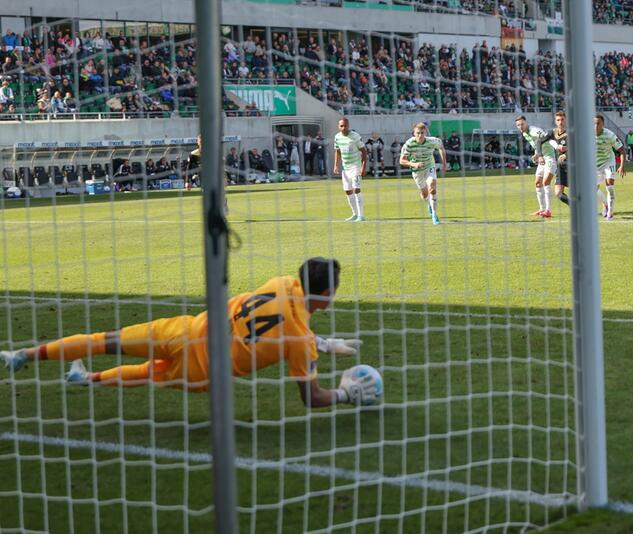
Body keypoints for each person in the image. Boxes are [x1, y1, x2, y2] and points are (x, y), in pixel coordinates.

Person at [0, 258, 379, 408]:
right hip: (202, 370)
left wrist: (324, 342)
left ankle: (24, 355)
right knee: (149, 372)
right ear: (326, 295)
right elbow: (310, 398)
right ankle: (86, 379)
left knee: (107, 339)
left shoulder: (280, 282)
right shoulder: (299, 340)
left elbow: (282, 321)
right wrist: (347, 393)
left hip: (187, 328)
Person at [399, 122, 448, 225]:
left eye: (422, 133)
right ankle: (429, 204)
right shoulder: (409, 144)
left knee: (432, 189)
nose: (420, 135)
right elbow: (402, 161)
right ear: (414, 133)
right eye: (418, 133)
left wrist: (444, 164)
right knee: (425, 194)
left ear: (425, 132)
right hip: (417, 171)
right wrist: (413, 164)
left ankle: (434, 215)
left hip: (429, 167)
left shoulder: (432, 141)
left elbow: (441, 148)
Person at [514, 115, 558, 218]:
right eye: (518, 125)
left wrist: (541, 154)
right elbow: (537, 144)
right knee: (538, 183)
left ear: (526, 123)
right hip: (541, 159)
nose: (520, 126)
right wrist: (537, 154)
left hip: (550, 158)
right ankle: (541, 209)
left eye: (522, 124)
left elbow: (547, 138)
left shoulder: (534, 131)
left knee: (546, 182)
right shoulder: (525, 134)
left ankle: (548, 210)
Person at [332, 118, 368, 222]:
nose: (344, 128)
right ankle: (355, 214)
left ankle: (361, 215)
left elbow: (364, 152)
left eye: (345, 125)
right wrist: (336, 165)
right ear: (338, 127)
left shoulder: (355, 136)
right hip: (345, 168)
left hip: (355, 166)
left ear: (348, 125)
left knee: (356, 189)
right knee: (348, 191)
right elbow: (337, 152)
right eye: (341, 126)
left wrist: (363, 167)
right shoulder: (337, 137)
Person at [595, 114, 626, 220]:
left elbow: (621, 150)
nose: (595, 126)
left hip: (608, 162)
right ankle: (606, 204)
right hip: (595, 164)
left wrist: (622, 166)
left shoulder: (609, 135)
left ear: (602, 124)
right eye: (593, 123)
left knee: (610, 187)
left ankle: (610, 214)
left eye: (598, 123)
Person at [536, 111, 570, 206]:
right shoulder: (553, 132)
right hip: (561, 167)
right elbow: (539, 141)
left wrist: (567, 154)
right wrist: (540, 155)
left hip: (574, 166)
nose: (560, 122)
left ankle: (604, 203)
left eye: (562, 119)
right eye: (558, 120)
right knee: (558, 194)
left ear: (566, 120)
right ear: (555, 121)